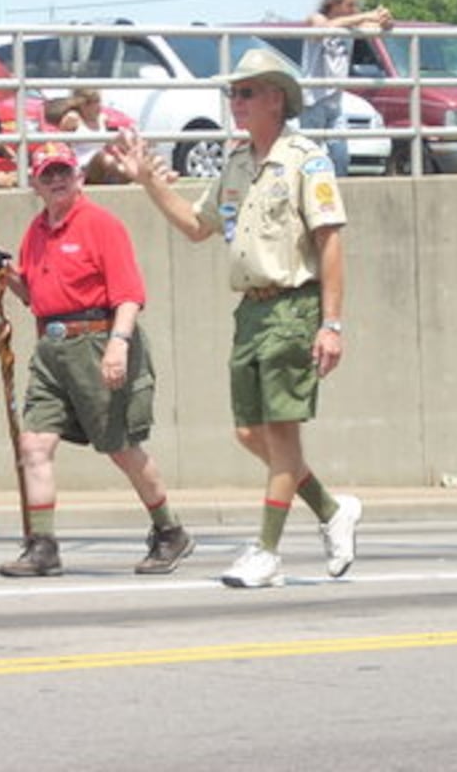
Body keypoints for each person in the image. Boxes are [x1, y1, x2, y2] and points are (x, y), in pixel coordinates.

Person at [110, 47, 361, 589]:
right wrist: (150, 183)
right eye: (234, 93)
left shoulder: (303, 160)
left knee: (280, 436)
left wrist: (331, 323)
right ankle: (332, 509)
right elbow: (198, 227)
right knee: (250, 432)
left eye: (246, 92)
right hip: (249, 312)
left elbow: (330, 240)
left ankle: (266, 552)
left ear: (276, 98)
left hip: (292, 307)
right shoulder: (237, 164)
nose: (236, 102)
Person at [0, 140, 193, 578]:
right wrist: (6, 274)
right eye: (48, 174)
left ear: (79, 177)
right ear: (35, 184)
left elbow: (129, 294)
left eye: (64, 172)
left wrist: (118, 345)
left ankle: (169, 530)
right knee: (34, 444)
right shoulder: (36, 232)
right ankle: (42, 546)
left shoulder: (101, 225)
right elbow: (36, 298)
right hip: (51, 349)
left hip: (98, 341)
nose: (57, 180)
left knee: (121, 447)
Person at [299, 0, 393, 177]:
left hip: (335, 102)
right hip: (312, 101)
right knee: (309, 156)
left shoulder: (352, 26)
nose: (354, 10)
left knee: (340, 156)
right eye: (350, 5)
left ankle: (338, 194)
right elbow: (322, 27)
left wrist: (385, 21)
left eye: (355, 6)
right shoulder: (317, 18)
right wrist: (365, 15)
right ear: (334, 4)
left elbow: (381, 29)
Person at [58, 88, 127, 184]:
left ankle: (132, 173)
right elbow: (61, 145)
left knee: (122, 152)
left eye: (98, 101)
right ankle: (131, 175)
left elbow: (109, 144)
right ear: (83, 104)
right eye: (94, 102)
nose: (98, 106)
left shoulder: (103, 119)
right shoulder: (73, 118)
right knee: (101, 157)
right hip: (82, 167)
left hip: (104, 165)